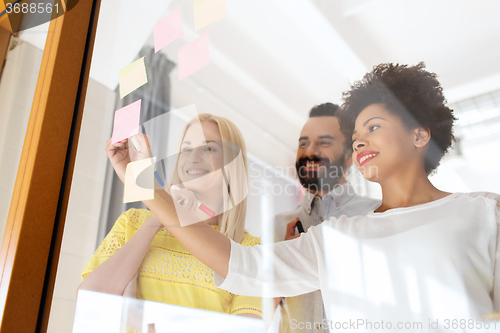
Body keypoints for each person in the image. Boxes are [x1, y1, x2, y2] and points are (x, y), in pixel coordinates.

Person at [105, 63, 500, 331]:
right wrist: (141, 182)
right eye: (357, 134)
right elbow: (239, 263)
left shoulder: (483, 212)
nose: (360, 141)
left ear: (419, 133)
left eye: (374, 126)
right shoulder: (339, 236)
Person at [79, 114, 263, 324]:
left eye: (209, 148)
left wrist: (136, 318)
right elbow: (90, 302)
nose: (193, 157)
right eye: (186, 149)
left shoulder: (249, 250)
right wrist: (158, 218)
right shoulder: (133, 222)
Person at [274, 103, 379, 333]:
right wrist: (285, 262)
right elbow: (256, 311)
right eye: (304, 143)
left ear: (350, 155)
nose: (310, 151)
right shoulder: (277, 227)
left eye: (324, 142)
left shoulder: (378, 216)